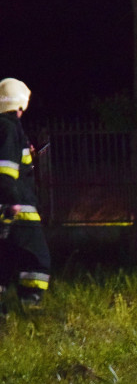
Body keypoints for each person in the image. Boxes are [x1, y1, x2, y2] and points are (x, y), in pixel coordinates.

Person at [0, 78, 51, 309]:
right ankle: (31, 309)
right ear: (19, 106)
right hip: (18, 211)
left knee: (6, 260)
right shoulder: (10, 128)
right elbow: (5, 170)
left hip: (7, 209)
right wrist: (12, 202)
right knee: (36, 259)